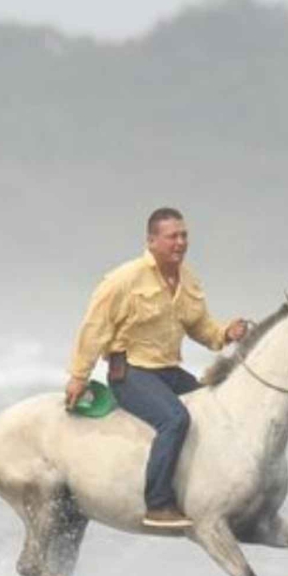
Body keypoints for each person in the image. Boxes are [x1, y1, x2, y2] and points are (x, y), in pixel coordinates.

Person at [64, 207, 248, 529]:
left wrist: (224, 334)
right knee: (175, 419)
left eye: (184, 235)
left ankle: (207, 492)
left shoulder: (187, 278)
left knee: (218, 412)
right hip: (132, 373)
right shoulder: (124, 279)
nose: (180, 242)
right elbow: (94, 328)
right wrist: (79, 376)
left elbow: (200, 326)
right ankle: (158, 503)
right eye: (172, 236)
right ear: (152, 241)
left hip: (169, 371)